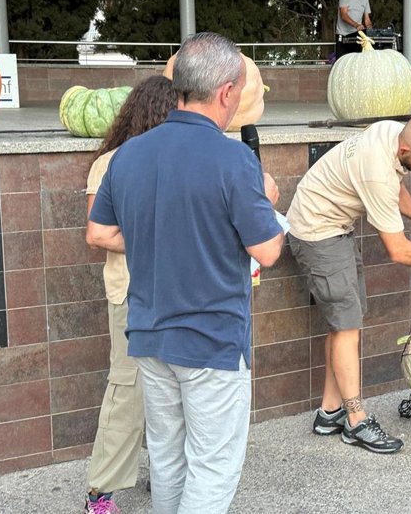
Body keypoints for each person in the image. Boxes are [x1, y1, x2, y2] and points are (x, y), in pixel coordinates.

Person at [86, 32, 284, 513]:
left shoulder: (128, 155)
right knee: (212, 467)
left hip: (150, 338)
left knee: (170, 461)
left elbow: (100, 229)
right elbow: (268, 250)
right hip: (212, 342)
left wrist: (163, 229)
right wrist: (268, 209)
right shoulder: (234, 159)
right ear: (225, 92)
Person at [286, 114, 411, 454]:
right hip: (317, 233)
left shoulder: (389, 133)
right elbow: (397, 250)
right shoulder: (377, 171)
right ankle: (356, 420)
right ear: (406, 147)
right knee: (347, 325)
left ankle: (330, 412)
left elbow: (396, 188)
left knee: (345, 325)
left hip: (335, 229)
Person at [84, 74, 177, 514]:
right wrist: (151, 237)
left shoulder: (172, 157)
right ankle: (99, 493)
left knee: (168, 390)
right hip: (130, 293)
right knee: (127, 389)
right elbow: (98, 235)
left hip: (172, 291)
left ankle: (164, 474)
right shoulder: (110, 163)